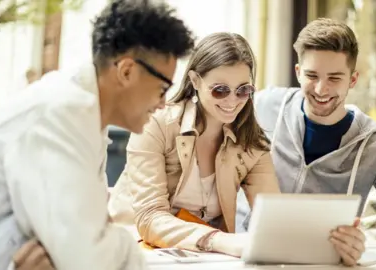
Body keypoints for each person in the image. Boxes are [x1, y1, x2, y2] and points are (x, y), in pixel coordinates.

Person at [0, 0, 194, 269]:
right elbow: (87, 256)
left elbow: (87, 243)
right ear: (126, 71)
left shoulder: (85, 116)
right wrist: (104, 243)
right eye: (162, 88)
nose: (163, 102)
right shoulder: (58, 114)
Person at [237, 18, 376, 261]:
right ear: (297, 73)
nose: (321, 89)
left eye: (334, 78)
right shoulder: (263, 106)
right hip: (242, 252)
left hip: (325, 261)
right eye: (312, 75)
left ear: (353, 79)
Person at [108, 32, 281, 258]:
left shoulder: (252, 144)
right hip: (132, 250)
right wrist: (219, 239)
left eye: (243, 90)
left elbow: (273, 220)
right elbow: (149, 217)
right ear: (195, 81)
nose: (232, 100)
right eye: (220, 90)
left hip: (203, 259)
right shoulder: (156, 124)